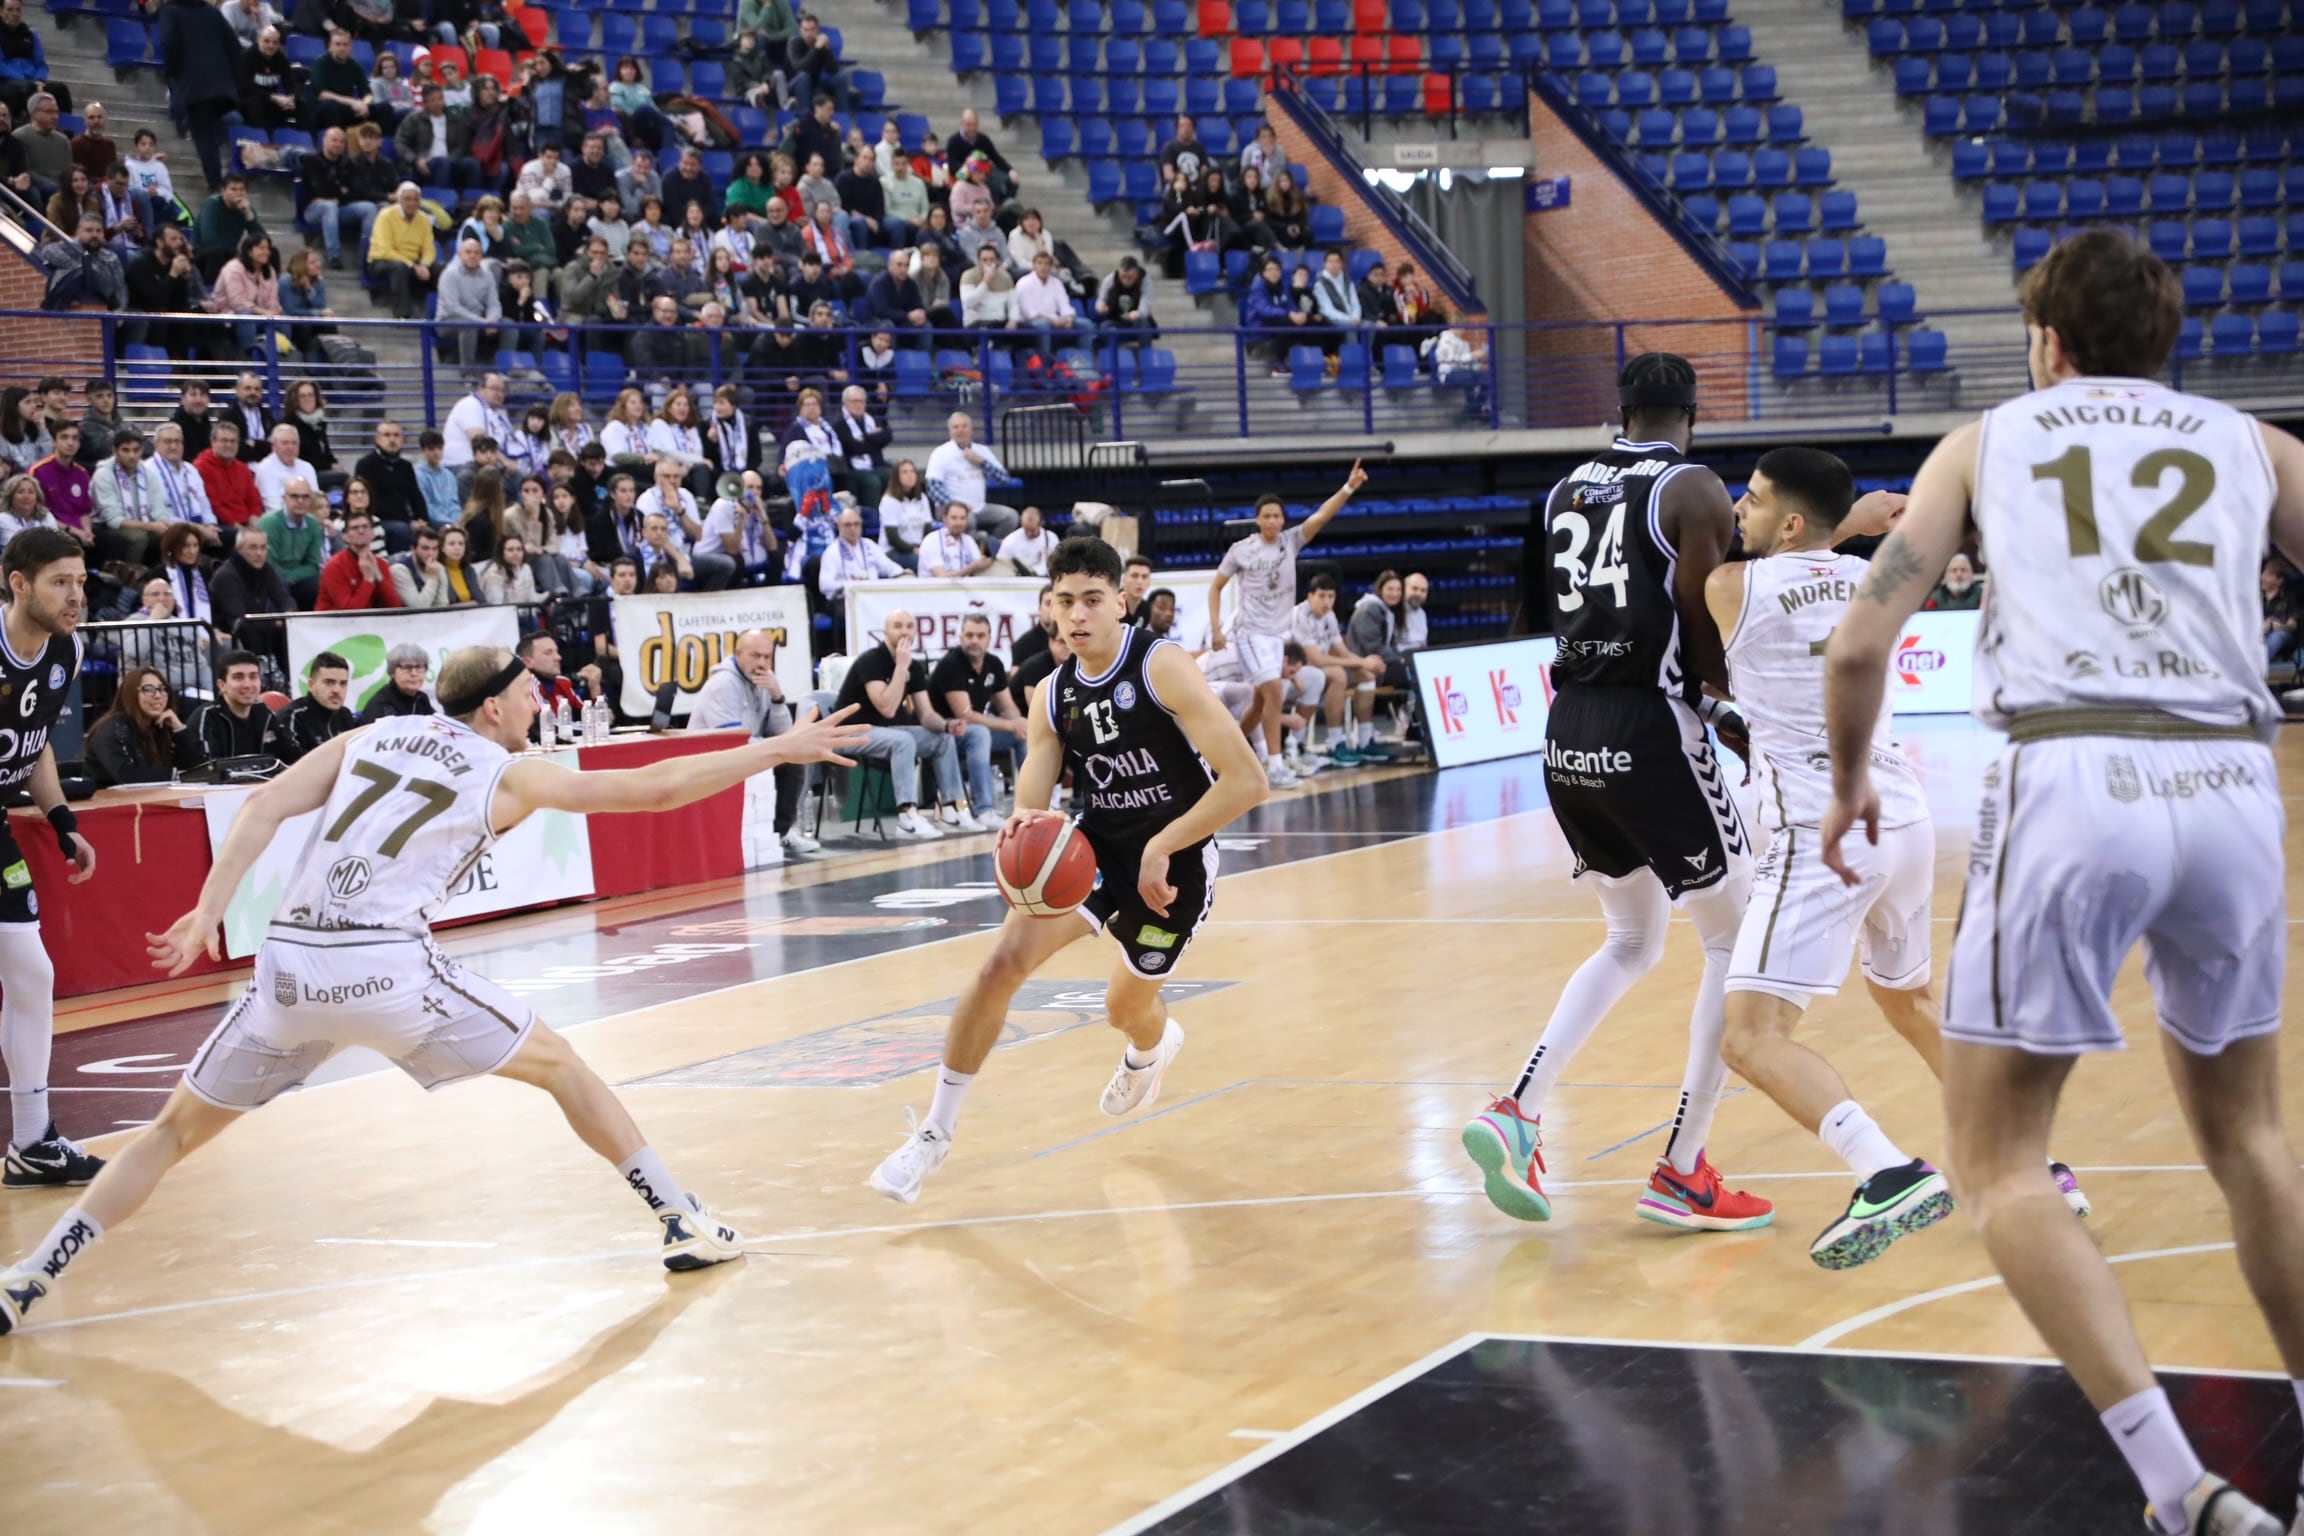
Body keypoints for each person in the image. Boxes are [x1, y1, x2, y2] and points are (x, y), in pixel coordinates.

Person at [1816, 230, 2304, 1536]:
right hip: (2229, 783)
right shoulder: (2257, 447)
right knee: (2253, 1142)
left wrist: (1852, 783)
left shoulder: (1988, 445)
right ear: (2166, 342)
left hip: (2073, 775)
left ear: (2048, 344)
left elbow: (1862, 639)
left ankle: (2177, 1486)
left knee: (2001, 1163)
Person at [0, 651, 875, 1336]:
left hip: (290, 967)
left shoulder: (363, 739)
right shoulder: (504, 771)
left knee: (168, 1135)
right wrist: (774, 747)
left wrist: (208, 910)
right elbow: (649, 791)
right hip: (385, 969)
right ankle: (682, 1220)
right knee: (564, 1066)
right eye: (533, 693)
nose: (543, 704)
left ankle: (32, 1272)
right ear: (492, 705)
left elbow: (263, 805)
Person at [1699, 447, 2089, 1273]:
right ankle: (2034, 1167)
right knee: (1909, 997)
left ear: (1793, 522)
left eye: (1756, 499)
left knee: (1752, 1039)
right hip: (1904, 820)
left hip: (1821, 828)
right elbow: (1853, 555)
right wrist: (1854, 529)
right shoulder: (1886, 579)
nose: (1740, 508)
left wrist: (1846, 525)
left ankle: (1885, 1172)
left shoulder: (1729, 588)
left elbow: (1727, 571)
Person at [1458, 353, 1772, 1236]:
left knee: (1631, 937)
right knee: (1734, 942)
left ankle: (1517, 1109)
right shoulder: (1694, 488)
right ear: (1691, 414)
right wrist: (1731, 706)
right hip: (1648, 727)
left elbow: (1543, 612)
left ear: (1622, 409)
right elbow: (1705, 618)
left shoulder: (1563, 489)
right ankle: (1683, 1167)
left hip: (1567, 727)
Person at [869, 537, 1267, 1202]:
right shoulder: (1052, 694)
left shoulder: (1162, 667)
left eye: (1090, 600)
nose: (1077, 615)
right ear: (1049, 608)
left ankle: (1151, 1048)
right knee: (999, 966)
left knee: (1124, 1009)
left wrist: (1163, 845)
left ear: (1120, 603)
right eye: (1063, 602)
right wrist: (1023, 829)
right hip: (1096, 851)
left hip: (1179, 858)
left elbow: (1247, 782)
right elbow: (1034, 796)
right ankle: (934, 1135)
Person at [0, 531, 101, 1189]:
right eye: (60, 582)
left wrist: (62, 819)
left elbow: (33, 743)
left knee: (32, 971)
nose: (75, 595)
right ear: (18, 585)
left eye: (81, 581)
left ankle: (33, 1143)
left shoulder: (65, 651)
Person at [1209, 464, 1364, 791]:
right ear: (1258, 519)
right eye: (1266, 515)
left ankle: (1231, 759)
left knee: (1263, 701)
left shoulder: (1290, 542)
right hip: (1250, 632)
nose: (1272, 521)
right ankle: (1274, 767)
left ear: (1282, 519)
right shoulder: (1241, 550)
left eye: (1277, 516)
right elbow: (1215, 587)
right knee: (1273, 691)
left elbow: (1320, 517)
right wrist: (1216, 629)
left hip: (1276, 635)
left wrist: (1348, 488)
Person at [832, 608, 976, 837]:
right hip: (849, 732)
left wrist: (947, 725)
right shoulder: (871, 661)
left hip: (885, 732)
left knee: (942, 739)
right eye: (897, 626)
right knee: (904, 741)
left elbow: (926, 715)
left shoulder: (914, 666)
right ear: (885, 632)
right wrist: (900, 667)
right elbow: (887, 708)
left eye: (909, 626)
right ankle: (907, 818)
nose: (904, 631)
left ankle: (952, 809)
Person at [686, 628, 816, 857]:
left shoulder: (764, 681)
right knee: (785, 754)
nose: (762, 662)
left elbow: (784, 732)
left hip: (746, 753)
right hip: (711, 759)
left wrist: (777, 697)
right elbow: (731, 741)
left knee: (793, 757)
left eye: (767, 656)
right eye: (755, 655)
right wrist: (775, 745)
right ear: (738, 654)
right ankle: (776, 834)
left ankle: (779, 834)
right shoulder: (723, 685)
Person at [930, 611, 1027, 827]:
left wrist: (1020, 723)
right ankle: (984, 809)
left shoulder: (993, 663)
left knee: (1023, 736)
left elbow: (1007, 706)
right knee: (980, 734)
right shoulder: (951, 664)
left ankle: (1033, 805)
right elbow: (965, 715)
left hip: (972, 731)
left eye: (981, 635)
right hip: (944, 733)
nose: (975, 641)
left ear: (989, 638)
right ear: (961, 636)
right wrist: (1010, 724)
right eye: (970, 635)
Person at [1286, 571, 1378, 769]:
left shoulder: (1330, 616)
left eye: (1331, 596)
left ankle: (1365, 739)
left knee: (1366, 674)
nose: (1326, 601)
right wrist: (1361, 662)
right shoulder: (1299, 615)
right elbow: (1316, 659)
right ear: (1310, 596)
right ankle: (1335, 742)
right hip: (1290, 672)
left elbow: (1342, 651)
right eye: (1321, 596)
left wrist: (1364, 663)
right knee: (1337, 674)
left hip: (1314, 671)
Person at [924, 412, 1018, 541]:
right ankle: (973, 552)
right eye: (956, 427)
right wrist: (956, 506)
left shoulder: (982, 450)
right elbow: (932, 487)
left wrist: (982, 462)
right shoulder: (941, 453)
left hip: (979, 508)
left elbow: (1004, 478)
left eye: (964, 426)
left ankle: (989, 547)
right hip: (949, 508)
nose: (960, 430)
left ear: (971, 429)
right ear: (950, 431)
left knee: (1010, 517)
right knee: (967, 520)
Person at [86, 664, 183, 789]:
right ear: (131, 694)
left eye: (162, 689)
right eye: (148, 689)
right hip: (108, 803)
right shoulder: (112, 728)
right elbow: (128, 776)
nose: (158, 695)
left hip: (151, 799)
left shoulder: (160, 726)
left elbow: (197, 769)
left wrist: (180, 729)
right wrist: (178, 775)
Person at [271, 649, 359, 762]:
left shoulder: (345, 715)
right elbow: (297, 766)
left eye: (343, 683)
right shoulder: (293, 718)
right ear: (311, 685)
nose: (337, 690)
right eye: (329, 682)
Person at [366, 181, 437, 320]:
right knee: (399, 268)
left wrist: (424, 265)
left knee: (441, 270)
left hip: (413, 262)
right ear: (399, 200)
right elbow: (385, 249)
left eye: (416, 199)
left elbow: (429, 248)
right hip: (381, 260)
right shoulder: (386, 216)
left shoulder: (423, 219)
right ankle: (402, 316)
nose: (412, 203)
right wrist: (412, 265)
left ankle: (440, 315)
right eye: (407, 199)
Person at [362, 642, 435, 720]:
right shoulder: (381, 704)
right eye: (407, 667)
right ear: (392, 672)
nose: (414, 673)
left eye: (419, 667)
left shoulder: (421, 698)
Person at [922, 501, 992, 578]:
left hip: (964, 588)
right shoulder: (932, 540)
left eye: (962, 518)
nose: (959, 523)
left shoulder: (968, 540)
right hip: (935, 589)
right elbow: (941, 577)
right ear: (945, 519)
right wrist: (971, 568)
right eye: (954, 518)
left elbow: (978, 565)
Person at [996, 504, 1056, 577]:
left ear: (1041, 524)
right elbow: (1000, 561)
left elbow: (1060, 563)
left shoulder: (1051, 538)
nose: (1029, 534)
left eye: (1032, 530)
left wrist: (1051, 558)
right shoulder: (1011, 540)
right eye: (1026, 530)